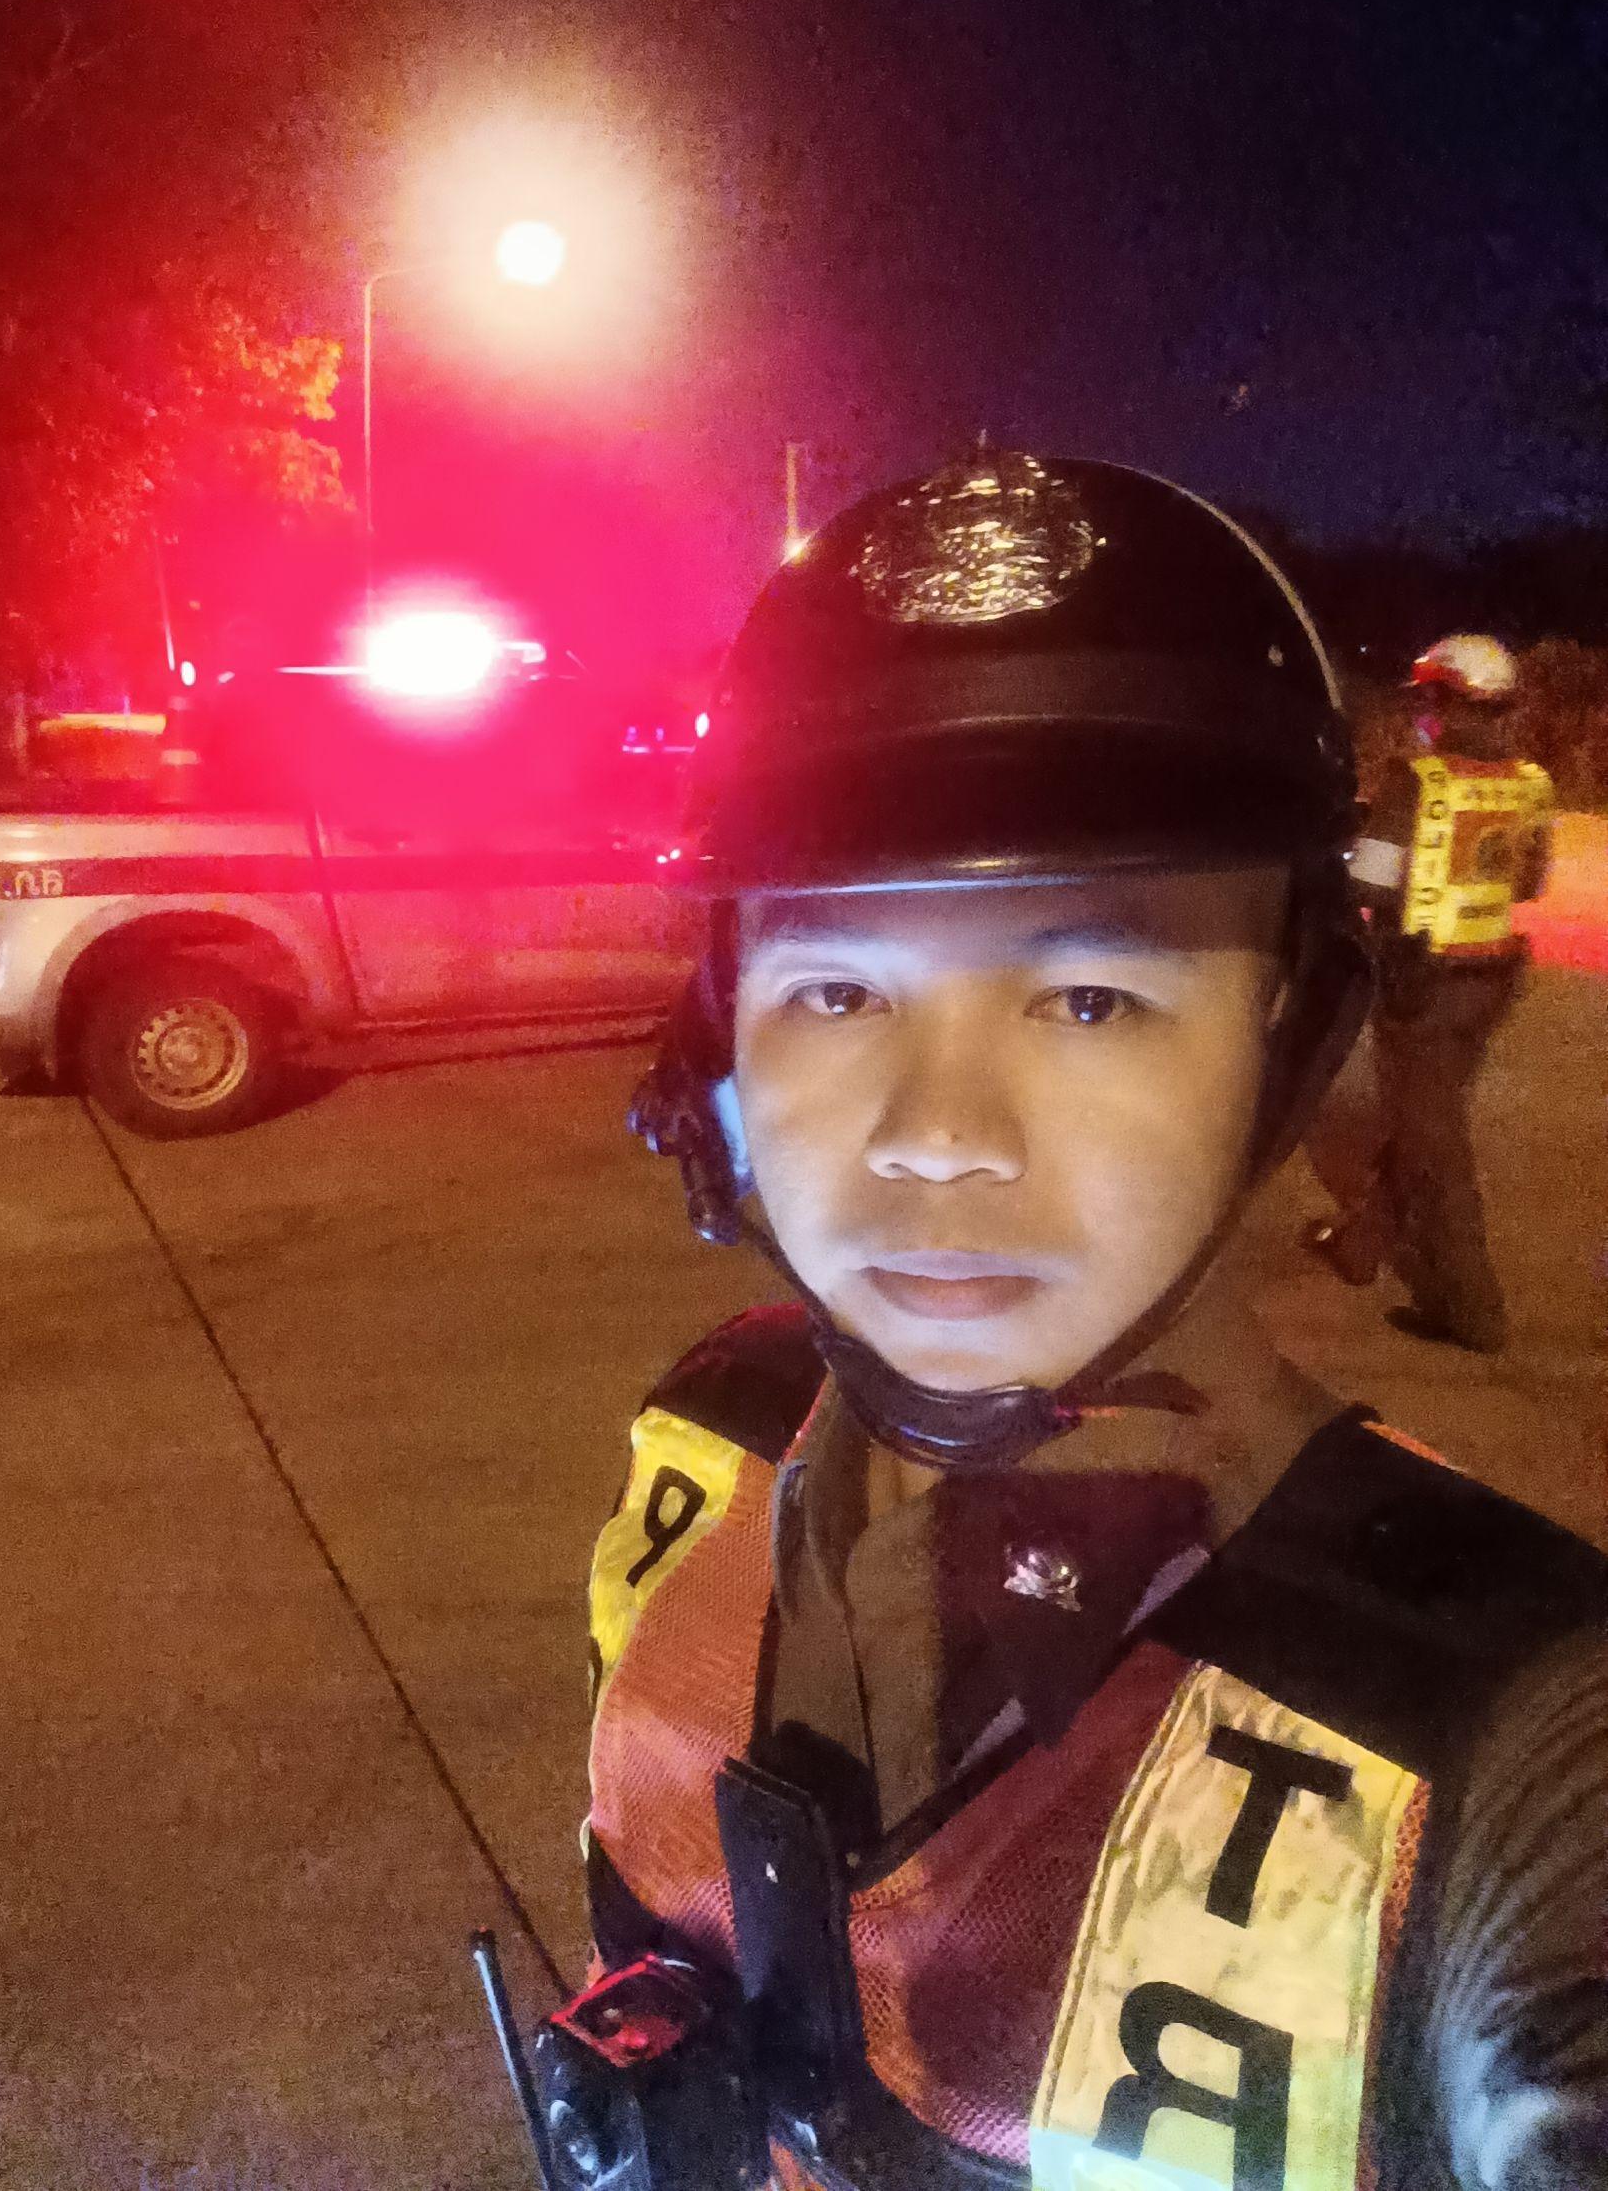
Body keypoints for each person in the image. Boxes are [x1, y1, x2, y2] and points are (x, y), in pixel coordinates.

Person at [551, 457, 1606, 2191]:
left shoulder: (1519, 1736)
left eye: (1091, 994)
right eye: (836, 986)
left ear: (1288, 1033)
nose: (935, 1131)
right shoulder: (708, 1434)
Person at [1305, 634, 1554, 1353]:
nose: (1424, 713)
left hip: (1422, 985)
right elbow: (1527, 883)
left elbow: (1369, 884)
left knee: (1436, 1151)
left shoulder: (1418, 782)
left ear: (1447, 700)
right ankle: (1359, 1248)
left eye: (1429, 700)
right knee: (1426, 1122)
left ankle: (1471, 1313)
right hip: (1493, 978)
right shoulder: (1531, 783)